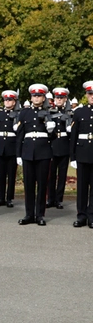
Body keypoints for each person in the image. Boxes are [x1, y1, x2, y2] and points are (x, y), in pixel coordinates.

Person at [16, 84, 56, 226]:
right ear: (31, 97)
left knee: (42, 184)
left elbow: (54, 137)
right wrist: (18, 154)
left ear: (44, 97)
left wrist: (50, 130)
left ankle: (40, 215)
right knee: (28, 185)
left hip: (43, 152)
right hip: (27, 152)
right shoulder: (24, 113)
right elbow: (20, 134)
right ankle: (29, 214)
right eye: (34, 95)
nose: (36, 98)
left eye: (39, 95)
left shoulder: (50, 112)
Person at [69, 81, 93, 227]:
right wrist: (73, 157)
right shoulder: (79, 112)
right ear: (86, 95)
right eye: (90, 94)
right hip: (82, 152)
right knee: (82, 187)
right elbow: (73, 136)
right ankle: (81, 215)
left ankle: (92, 216)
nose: (92, 97)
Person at [46, 87, 72, 209]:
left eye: (61, 98)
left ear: (65, 99)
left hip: (64, 145)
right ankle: (50, 198)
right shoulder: (49, 112)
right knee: (51, 175)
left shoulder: (70, 113)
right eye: (57, 98)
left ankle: (59, 199)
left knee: (62, 175)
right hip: (53, 145)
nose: (59, 100)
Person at [0, 90, 19, 207]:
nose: (7, 102)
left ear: (14, 102)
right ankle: (0, 198)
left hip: (12, 146)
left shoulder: (18, 114)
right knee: (1, 174)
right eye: (5, 100)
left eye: (10, 100)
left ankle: (9, 198)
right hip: (0, 146)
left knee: (11, 174)